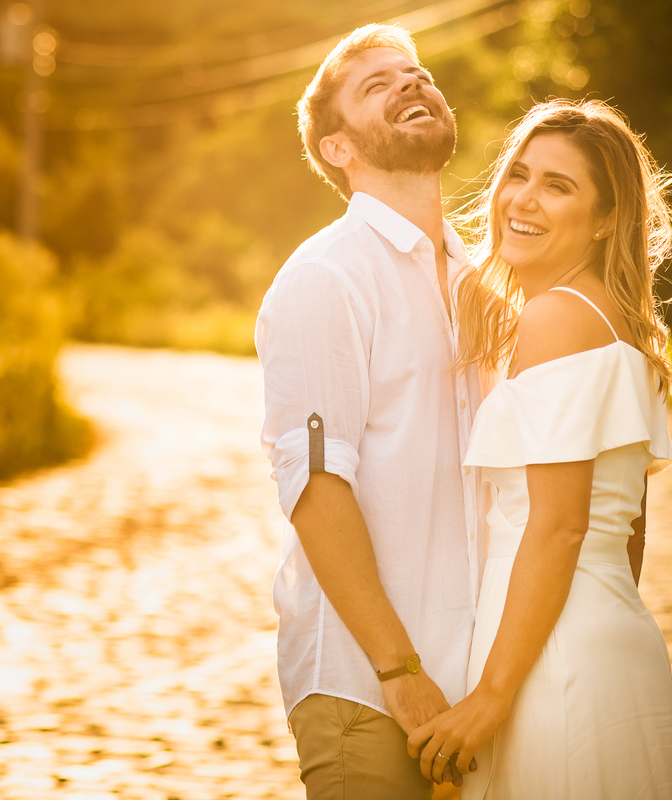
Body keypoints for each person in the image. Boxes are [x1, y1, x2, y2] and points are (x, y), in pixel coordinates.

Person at [407, 99, 672, 798]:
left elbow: (559, 527)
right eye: (518, 173)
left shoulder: (555, 319)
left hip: (548, 658)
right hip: (605, 637)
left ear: (607, 217)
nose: (523, 198)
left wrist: (491, 695)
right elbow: (630, 531)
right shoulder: (618, 325)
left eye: (559, 185)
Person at [255, 23, 487, 799]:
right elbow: (317, 492)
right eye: (377, 85)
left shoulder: (481, 278)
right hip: (366, 685)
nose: (411, 84)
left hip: (479, 687)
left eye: (416, 73)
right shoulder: (327, 277)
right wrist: (399, 669)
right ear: (337, 148)